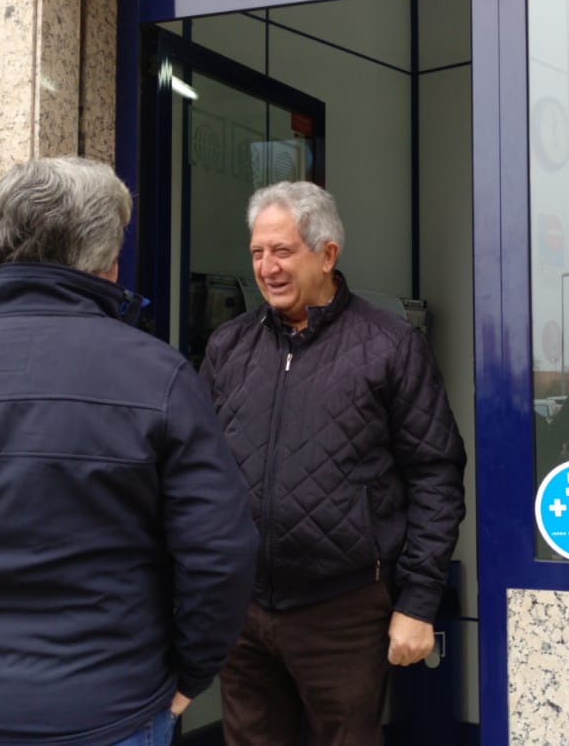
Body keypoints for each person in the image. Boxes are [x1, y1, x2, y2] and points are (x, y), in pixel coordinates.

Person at [0, 158, 259, 746]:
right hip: (119, 709)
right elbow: (221, 553)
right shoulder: (158, 377)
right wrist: (192, 675)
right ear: (106, 261)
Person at [198, 181, 466, 746]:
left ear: (327, 254)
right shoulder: (228, 346)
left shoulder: (391, 346)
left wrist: (418, 602)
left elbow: (435, 475)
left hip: (343, 611)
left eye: (282, 251)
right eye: (256, 253)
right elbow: (197, 470)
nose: (266, 267)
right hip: (243, 609)